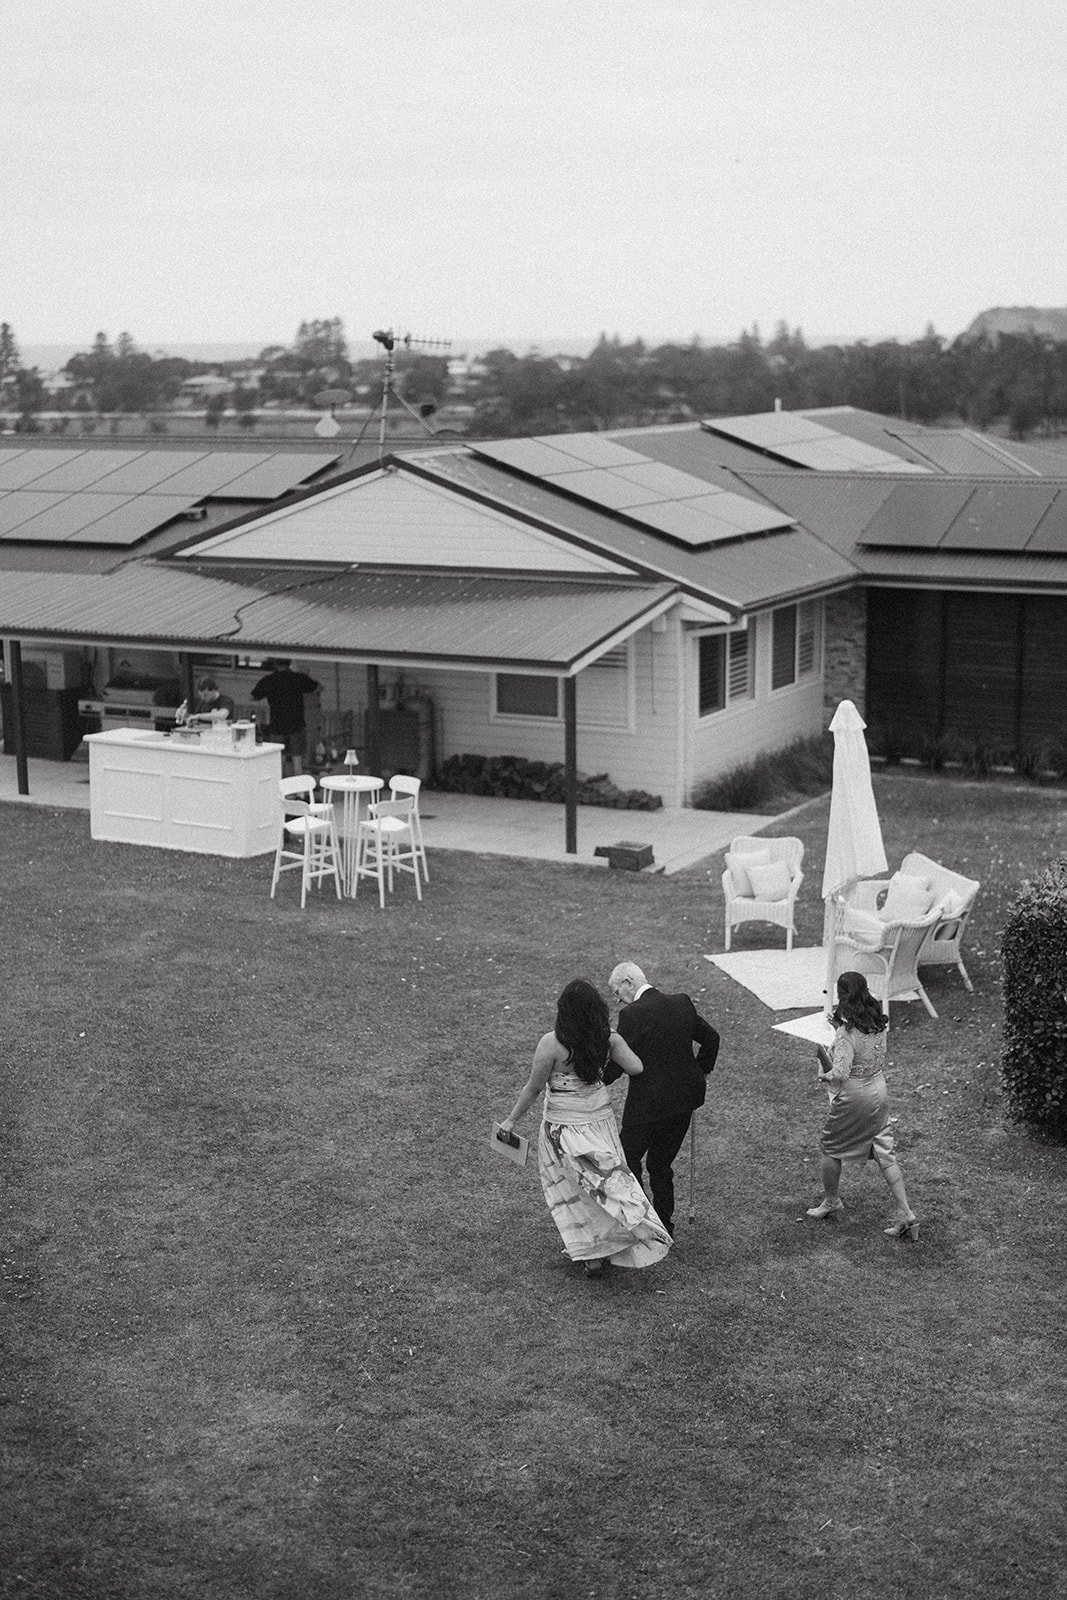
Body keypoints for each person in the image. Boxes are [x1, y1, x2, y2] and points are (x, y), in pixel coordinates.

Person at [498, 978, 672, 1277]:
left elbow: (534, 1087)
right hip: (599, 1121)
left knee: (572, 1188)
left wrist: (511, 1120)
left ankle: (590, 1254)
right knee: (602, 1182)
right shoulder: (610, 1040)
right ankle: (612, 1241)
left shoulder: (551, 1043)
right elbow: (636, 1068)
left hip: (562, 1127)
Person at [605, 961, 720, 1237]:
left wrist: (594, 1081)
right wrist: (698, 1071)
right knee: (660, 1163)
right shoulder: (681, 1003)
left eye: (616, 990)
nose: (616, 998)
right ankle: (665, 1224)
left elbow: (619, 1063)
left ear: (629, 983)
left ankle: (644, 1220)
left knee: (628, 1156)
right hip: (684, 1101)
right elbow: (712, 1038)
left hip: (649, 1105)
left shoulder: (633, 1014)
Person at [807, 970, 920, 1240]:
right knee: (884, 1152)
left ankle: (831, 1201)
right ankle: (906, 1212)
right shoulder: (877, 1023)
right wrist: (839, 1030)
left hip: (855, 1096)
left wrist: (824, 1074)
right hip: (878, 1090)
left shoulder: (847, 1032)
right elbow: (865, 1050)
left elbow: (841, 1072)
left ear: (843, 994)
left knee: (830, 1147)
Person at [250, 659, 320, 774]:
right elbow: (318, 687)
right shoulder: (298, 678)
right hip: (296, 725)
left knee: (279, 756)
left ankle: (280, 787)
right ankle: (299, 788)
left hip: (277, 725)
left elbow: (253, 697)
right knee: (297, 757)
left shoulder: (269, 680)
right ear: (290, 664)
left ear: (275, 664)